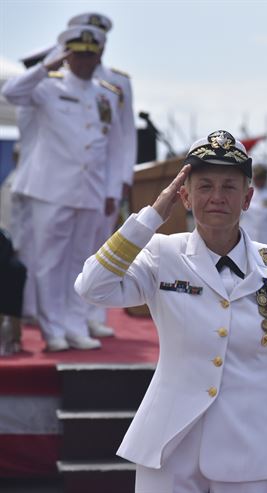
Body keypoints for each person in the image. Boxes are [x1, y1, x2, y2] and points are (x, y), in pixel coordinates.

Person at [75, 130, 267, 493]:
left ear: (247, 197)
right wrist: (149, 218)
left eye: (229, 187)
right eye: (204, 186)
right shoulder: (162, 254)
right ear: (185, 196)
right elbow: (92, 287)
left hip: (251, 452)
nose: (217, 198)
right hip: (169, 448)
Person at [2, 25, 125, 351]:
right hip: (51, 190)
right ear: (67, 55)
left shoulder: (107, 94)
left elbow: (112, 147)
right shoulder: (46, 87)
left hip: (91, 190)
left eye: (90, 54)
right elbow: (10, 93)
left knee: (83, 261)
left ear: (99, 55)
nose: (84, 60)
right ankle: (53, 328)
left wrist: (112, 190)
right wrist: (47, 66)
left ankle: (74, 324)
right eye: (77, 54)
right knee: (50, 262)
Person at [67, 12, 137, 339]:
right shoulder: (69, 80)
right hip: (74, 177)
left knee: (101, 248)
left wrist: (121, 180)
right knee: (69, 251)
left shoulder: (117, 83)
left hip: (105, 179)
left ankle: (94, 314)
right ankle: (69, 314)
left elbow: (124, 137)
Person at [5, 46, 57, 323]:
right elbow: (11, 91)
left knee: (38, 251)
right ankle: (27, 310)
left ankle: (31, 309)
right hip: (33, 182)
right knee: (32, 251)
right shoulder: (34, 93)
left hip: (38, 182)